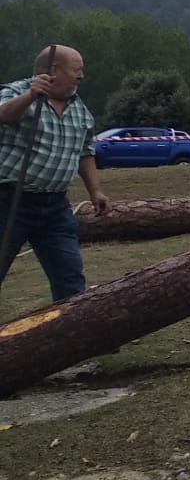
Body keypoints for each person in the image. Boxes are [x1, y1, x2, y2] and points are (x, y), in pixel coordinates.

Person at [0, 45, 111, 302]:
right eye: (77, 70)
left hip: (55, 208)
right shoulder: (18, 91)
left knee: (69, 276)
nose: (81, 76)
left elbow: (84, 150)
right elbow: (2, 115)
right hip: (9, 203)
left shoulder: (79, 106)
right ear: (53, 70)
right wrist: (31, 95)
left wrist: (95, 190)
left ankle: (75, 335)